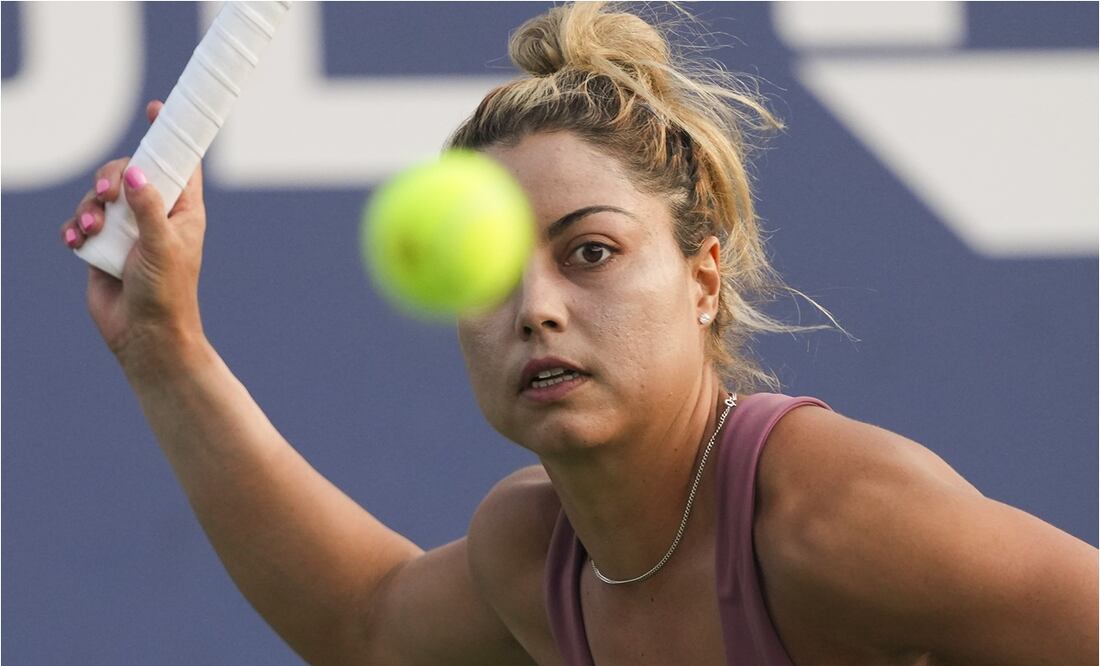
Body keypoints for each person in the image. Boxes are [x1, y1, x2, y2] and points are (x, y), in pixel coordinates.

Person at [61, 3, 1096, 664]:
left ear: (702, 279)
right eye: (488, 277)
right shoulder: (535, 555)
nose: (535, 307)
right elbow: (364, 626)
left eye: (587, 252)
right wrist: (163, 343)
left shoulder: (839, 518)